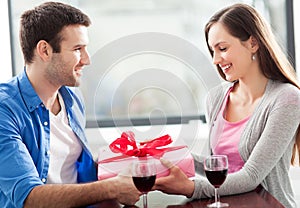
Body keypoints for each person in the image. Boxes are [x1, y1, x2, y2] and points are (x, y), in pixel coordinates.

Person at [154, 3, 300, 208]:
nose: (215, 60)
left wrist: (190, 187)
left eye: (222, 48)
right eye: (213, 51)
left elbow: (251, 175)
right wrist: (179, 156)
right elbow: (220, 168)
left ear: (253, 43)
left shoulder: (287, 99)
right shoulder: (216, 98)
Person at [0, 2, 140, 207]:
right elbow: (29, 197)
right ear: (45, 50)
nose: (87, 59)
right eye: (77, 49)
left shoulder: (71, 97)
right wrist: (112, 187)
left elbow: (72, 170)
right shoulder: (6, 110)